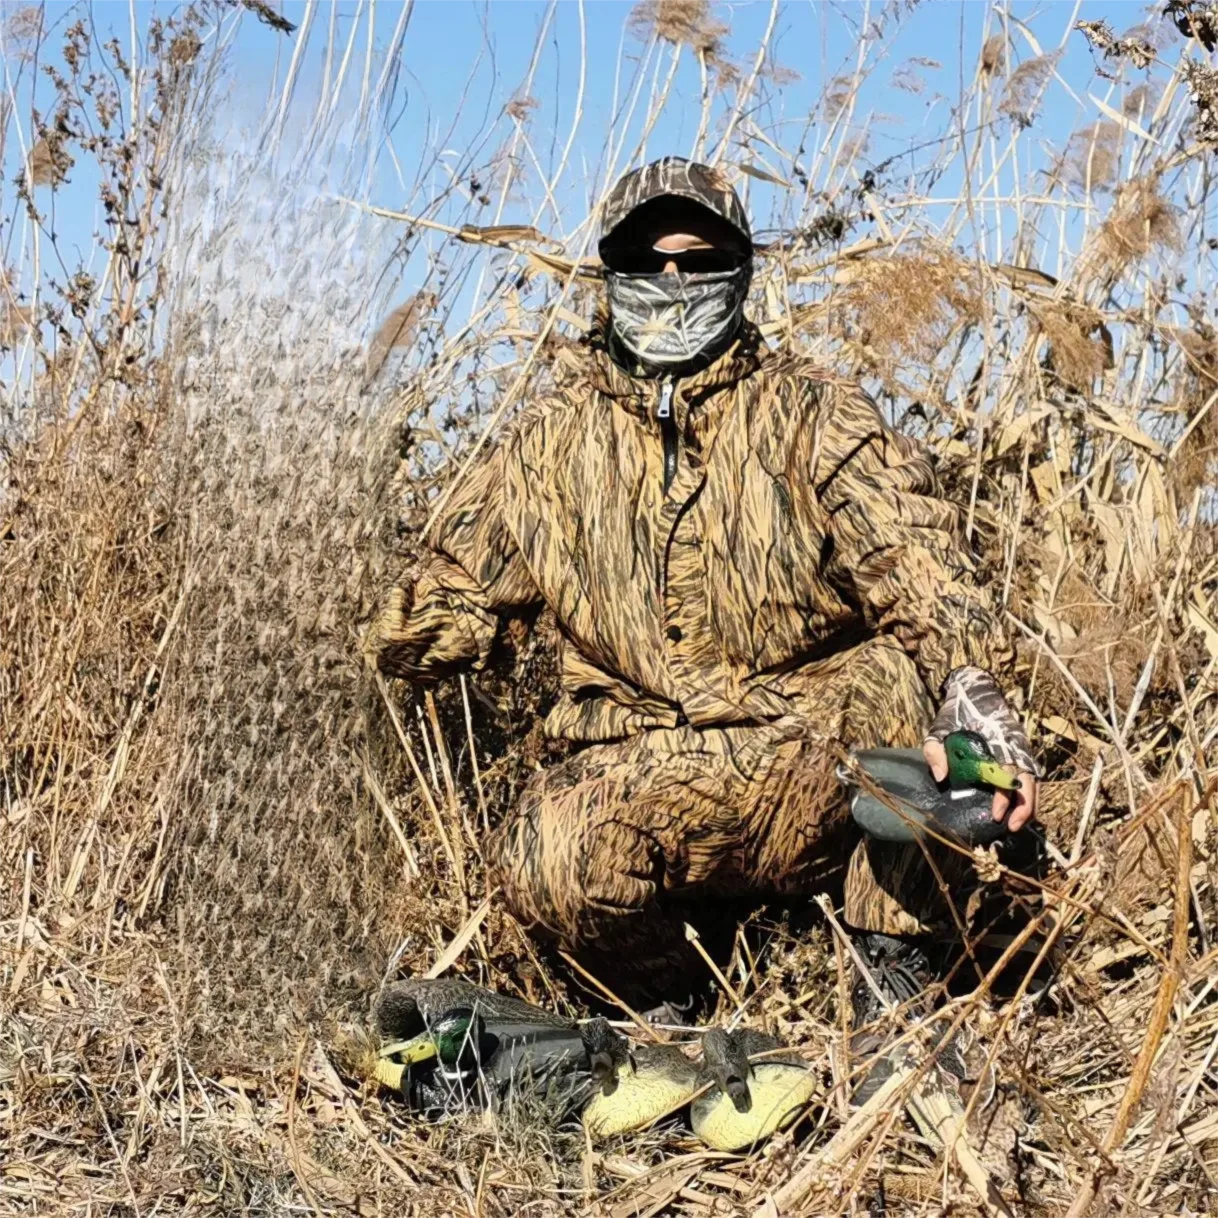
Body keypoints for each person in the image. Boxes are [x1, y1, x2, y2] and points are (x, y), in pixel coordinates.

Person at [364, 157, 1038, 1066]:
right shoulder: (544, 445)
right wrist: (371, 625)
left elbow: (924, 569)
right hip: (644, 766)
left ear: (742, 269)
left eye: (700, 257)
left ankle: (894, 977)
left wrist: (979, 706)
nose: (674, 278)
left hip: (807, 755)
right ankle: (665, 1009)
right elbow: (443, 600)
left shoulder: (813, 413)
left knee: (897, 677)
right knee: (544, 850)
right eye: (646, 260)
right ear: (610, 275)